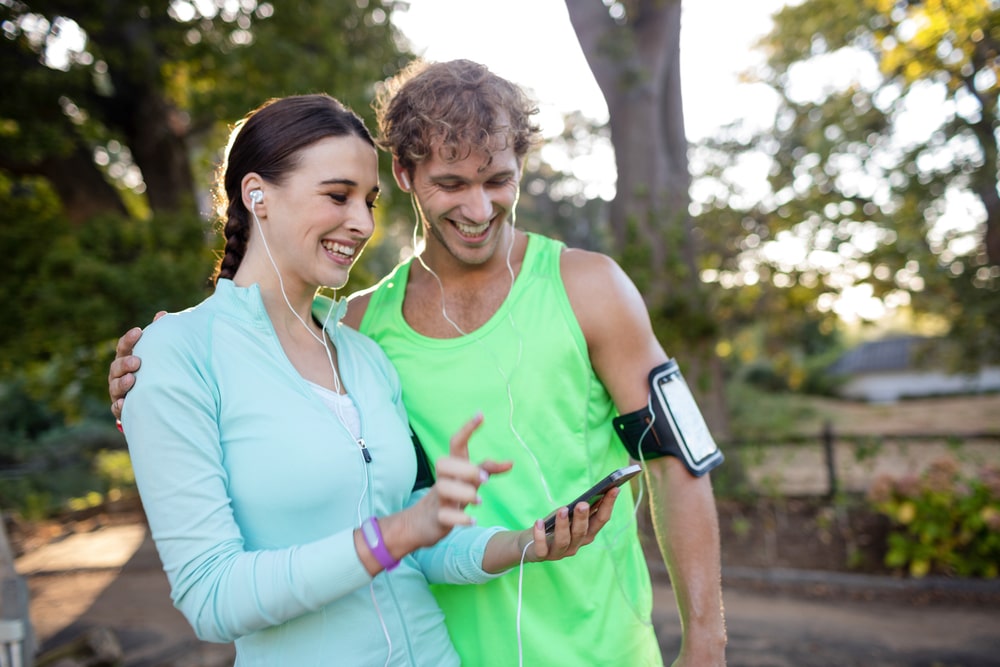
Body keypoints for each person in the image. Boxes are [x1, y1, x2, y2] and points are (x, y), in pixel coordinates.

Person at [112, 61, 727, 666]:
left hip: (598, 650)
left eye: (499, 181)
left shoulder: (589, 288)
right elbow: (382, 521)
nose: (481, 209)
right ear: (406, 174)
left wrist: (706, 642)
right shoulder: (361, 326)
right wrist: (159, 382)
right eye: (453, 184)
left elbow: (680, 458)